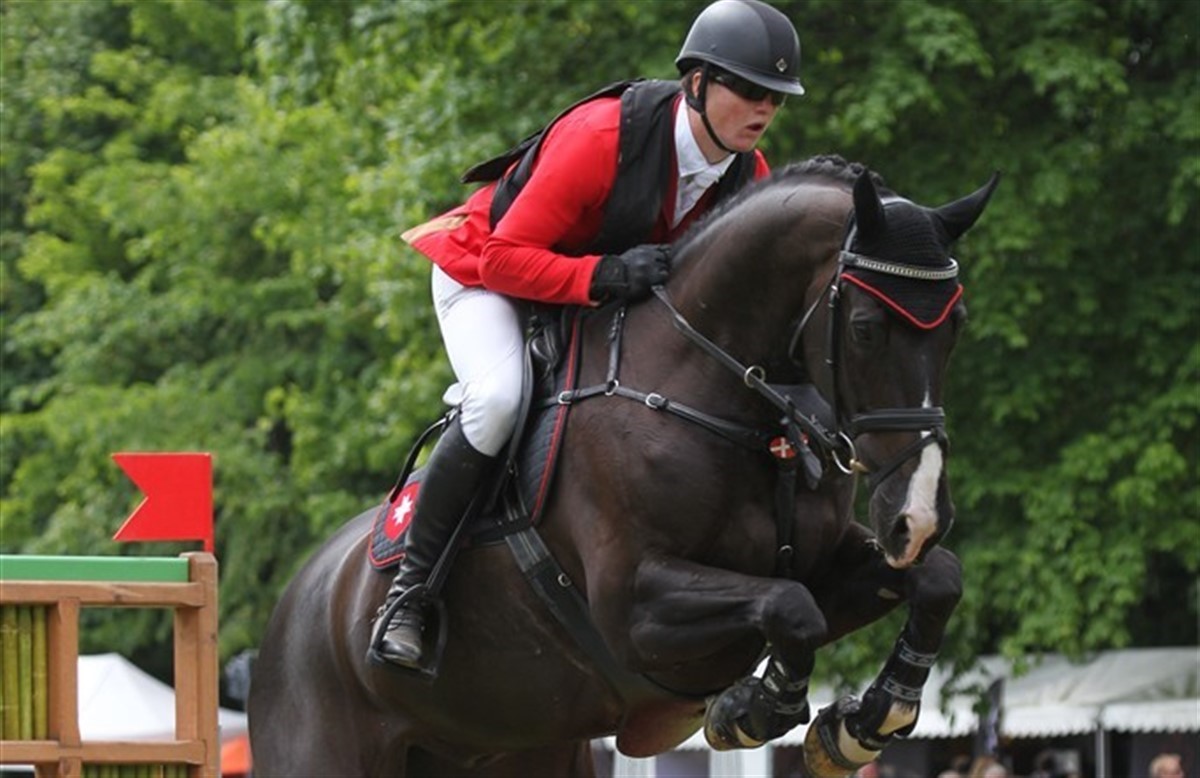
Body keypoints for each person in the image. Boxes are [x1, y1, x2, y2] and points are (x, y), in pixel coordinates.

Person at [371, 0, 805, 669]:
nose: (764, 108)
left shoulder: (751, 177)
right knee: (499, 399)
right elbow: (503, 259)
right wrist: (604, 274)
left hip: (586, 298)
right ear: (696, 83)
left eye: (774, 97)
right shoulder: (602, 137)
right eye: (749, 90)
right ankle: (410, 594)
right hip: (486, 276)